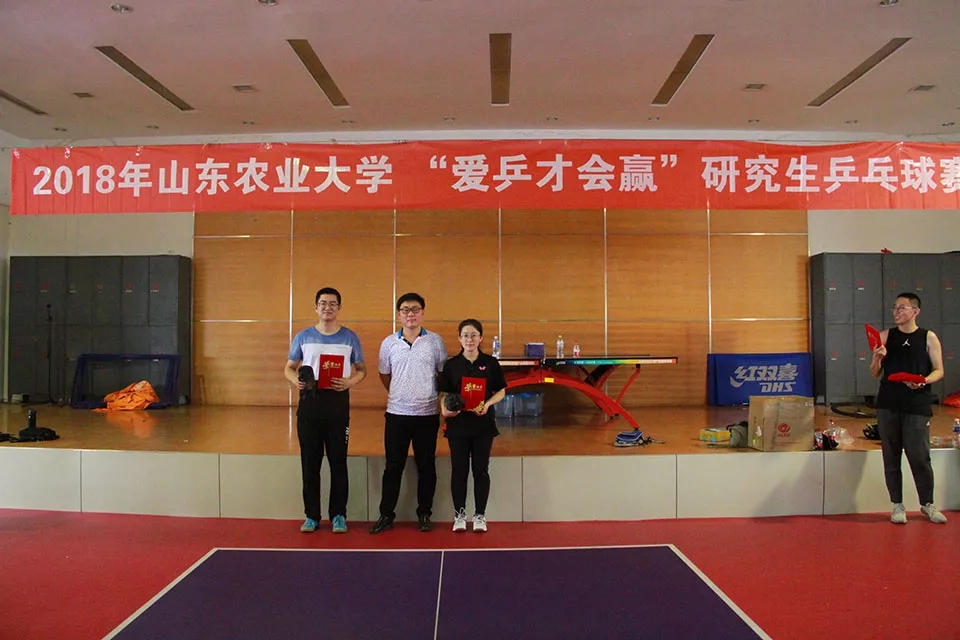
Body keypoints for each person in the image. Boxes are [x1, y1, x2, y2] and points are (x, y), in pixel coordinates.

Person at [284, 287, 366, 534]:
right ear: (316, 307)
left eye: (332, 304)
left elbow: (362, 370)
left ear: (339, 308)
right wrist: (296, 381)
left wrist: (350, 381)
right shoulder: (303, 336)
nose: (327, 307)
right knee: (310, 463)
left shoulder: (350, 337)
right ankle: (312, 515)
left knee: (338, 462)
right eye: (323, 303)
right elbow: (289, 367)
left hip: (337, 404)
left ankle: (339, 515)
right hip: (310, 403)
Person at [369, 293, 448, 534]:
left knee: (426, 466)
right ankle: (386, 514)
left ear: (423, 312)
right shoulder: (389, 343)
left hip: (427, 415)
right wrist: (399, 393)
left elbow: (443, 374)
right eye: (405, 309)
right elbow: (384, 374)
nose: (410, 314)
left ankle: (424, 513)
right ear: (398, 314)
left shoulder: (435, 342)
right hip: (397, 414)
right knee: (393, 466)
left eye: (415, 309)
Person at [869, 292, 947, 525]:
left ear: (915, 311)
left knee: (919, 455)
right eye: (895, 308)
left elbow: (939, 370)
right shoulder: (886, 336)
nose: (896, 312)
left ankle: (927, 503)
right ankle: (897, 504)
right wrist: (877, 358)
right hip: (888, 403)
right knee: (891, 455)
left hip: (917, 404)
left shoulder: (928, 337)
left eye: (902, 308)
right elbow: (874, 372)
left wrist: (924, 381)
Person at [438, 319, 507, 533]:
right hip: (458, 426)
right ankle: (459, 514)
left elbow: (501, 391)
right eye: (465, 335)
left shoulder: (490, 363)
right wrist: (445, 410)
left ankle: (480, 515)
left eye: (474, 335)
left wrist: (487, 404)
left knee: (481, 471)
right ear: (459, 338)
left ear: (480, 338)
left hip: (483, 425)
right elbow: (444, 393)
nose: (470, 339)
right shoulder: (451, 365)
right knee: (459, 471)